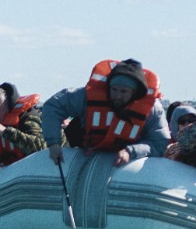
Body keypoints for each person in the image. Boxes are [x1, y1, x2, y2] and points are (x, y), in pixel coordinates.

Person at [42, 58, 170, 168]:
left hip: (128, 163)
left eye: (124, 91)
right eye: (114, 89)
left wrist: (130, 151)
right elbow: (53, 106)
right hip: (86, 152)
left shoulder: (152, 109)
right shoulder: (86, 96)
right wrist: (54, 143)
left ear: (135, 93)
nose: (117, 96)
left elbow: (159, 143)